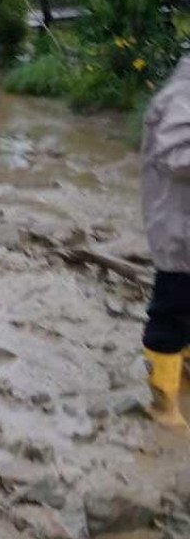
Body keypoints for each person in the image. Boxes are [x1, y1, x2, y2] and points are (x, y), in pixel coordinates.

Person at [138, 55, 190, 430]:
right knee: (171, 311)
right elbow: (174, 154)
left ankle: (181, 372)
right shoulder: (184, 91)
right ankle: (163, 404)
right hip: (179, 230)